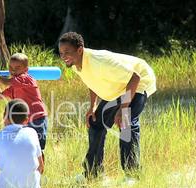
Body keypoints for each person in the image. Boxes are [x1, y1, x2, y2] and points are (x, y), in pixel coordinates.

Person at [58, 32, 156, 179]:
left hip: (139, 82)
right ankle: (93, 173)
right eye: (61, 53)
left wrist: (123, 109)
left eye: (67, 52)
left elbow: (135, 77)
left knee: (126, 123)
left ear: (79, 50)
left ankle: (132, 174)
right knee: (95, 123)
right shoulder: (76, 64)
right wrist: (93, 107)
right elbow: (92, 81)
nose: (63, 56)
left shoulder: (99, 61)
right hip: (119, 87)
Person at [0, 53, 48, 160]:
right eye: (10, 67)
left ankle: (39, 171)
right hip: (23, 121)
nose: (13, 71)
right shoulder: (14, 87)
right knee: (25, 147)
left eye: (17, 68)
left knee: (38, 147)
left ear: (26, 69)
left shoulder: (26, 78)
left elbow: (6, 82)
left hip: (37, 118)